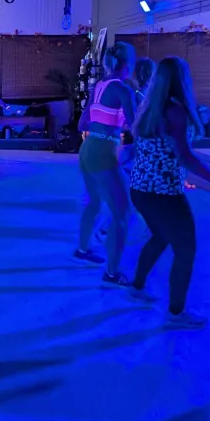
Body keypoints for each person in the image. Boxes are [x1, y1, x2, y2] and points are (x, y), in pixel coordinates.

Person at [128, 56, 210, 328]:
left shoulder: (149, 109)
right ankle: (176, 312)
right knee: (186, 249)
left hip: (141, 189)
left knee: (160, 236)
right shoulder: (175, 112)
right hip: (165, 194)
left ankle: (136, 286)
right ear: (182, 80)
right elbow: (185, 157)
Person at [74, 42, 137, 278]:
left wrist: (107, 122)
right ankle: (112, 273)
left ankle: (83, 249)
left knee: (93, 202)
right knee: (122, 213)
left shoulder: (99, 86)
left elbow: (82, 124)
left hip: (87, 149)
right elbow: (136, 126)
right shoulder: (122, 89)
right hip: (103, 152)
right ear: (128, 64)